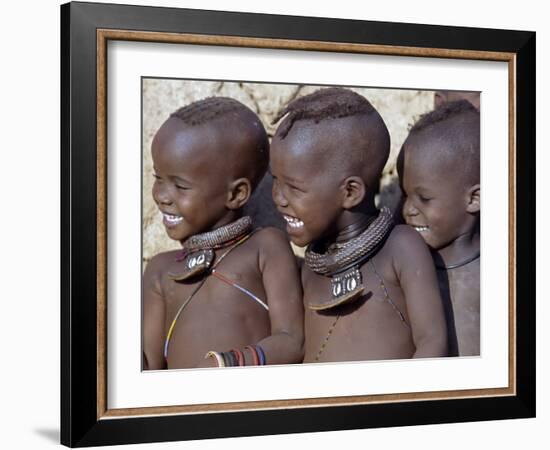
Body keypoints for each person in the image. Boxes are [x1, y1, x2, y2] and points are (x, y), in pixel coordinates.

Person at [270, 87, 447, 362]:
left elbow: (432, 342)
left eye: (293, 187)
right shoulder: (312, 268)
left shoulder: (401, 248)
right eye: (274, 181)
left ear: (350, 192)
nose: (278, 198)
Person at [143, 96, 304, 370]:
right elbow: (148, 364)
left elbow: (292, 341)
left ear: (236, 194)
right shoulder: (160, 270)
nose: (161, 196)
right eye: (158, 177)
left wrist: (229, 364)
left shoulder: (264, 247)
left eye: (180, 186)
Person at [398, 99, 480, 356]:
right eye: (405, 195)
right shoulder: (403, 266)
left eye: (424, 198)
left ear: (474, 198)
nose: (409, 210)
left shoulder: (503, 273)